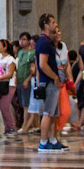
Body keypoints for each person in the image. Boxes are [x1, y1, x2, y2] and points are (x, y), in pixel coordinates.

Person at [32, 13, 67, 152]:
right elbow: (42, 64)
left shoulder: (47, 41)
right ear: (46, 25)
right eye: (52, 22)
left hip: (49, 82)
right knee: (48, 112)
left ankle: (53, 139)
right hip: (49, 82)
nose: (55, 24)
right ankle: (43, 141)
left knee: (53, 113)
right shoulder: (44, 42)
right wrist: (55, 77)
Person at [0, 39, 18, 136]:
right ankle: (7, 127)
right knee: (1, 107)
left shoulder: (10, 59)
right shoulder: (0, 59)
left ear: (5, 47)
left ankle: (12, 127)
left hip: (9, 84)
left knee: (5, 106)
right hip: (0, 84)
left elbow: (10, 74)